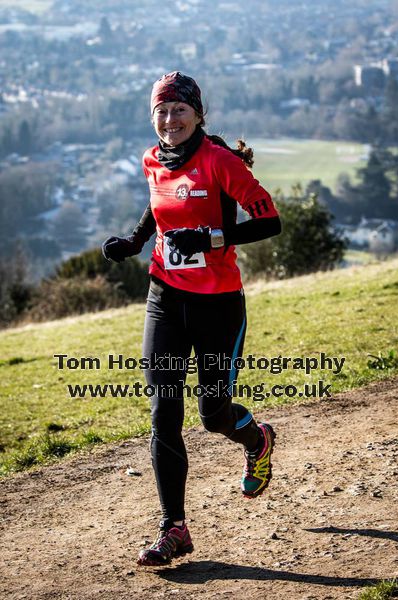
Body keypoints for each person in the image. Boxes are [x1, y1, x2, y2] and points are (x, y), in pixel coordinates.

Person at [102, 71, 281, 567]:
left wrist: (212, 240)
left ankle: (257, 438)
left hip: (218, 304)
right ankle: (173, 528)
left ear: (199, 114)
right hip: (164, 298)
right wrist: (136, 242)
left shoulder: (220, 162)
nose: (169, 118)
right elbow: (158, 204)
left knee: (213, 415)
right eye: (161, 110)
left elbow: (270, 221)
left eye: (179, 109)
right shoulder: (152, 159)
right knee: (164, 413)